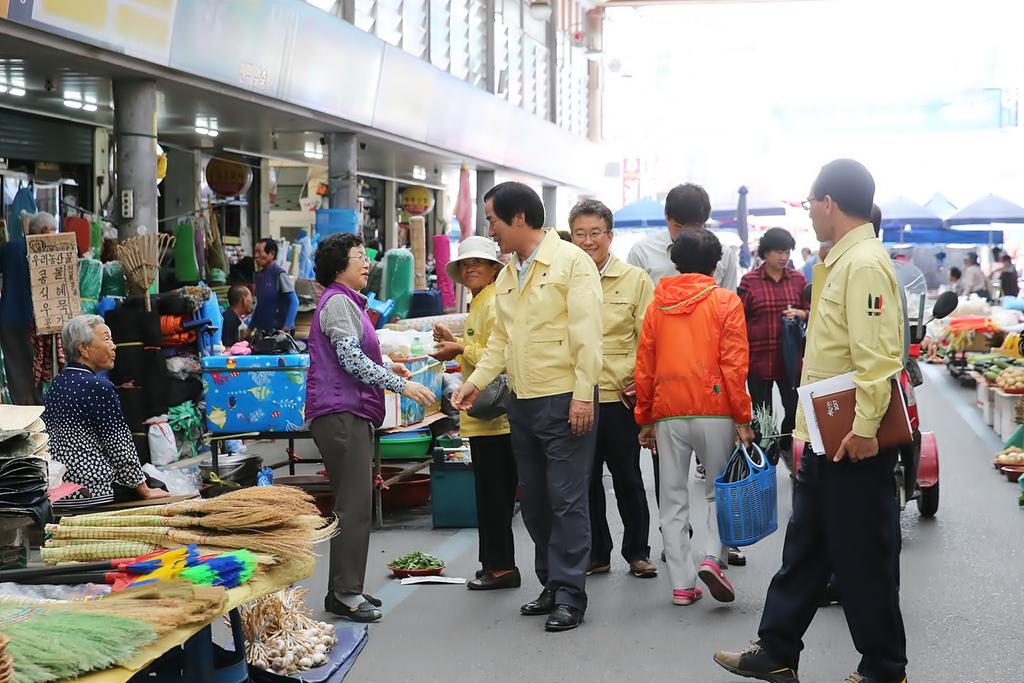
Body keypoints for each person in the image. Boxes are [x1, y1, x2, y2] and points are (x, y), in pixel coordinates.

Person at [715, 159, 907, 683]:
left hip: (850, 437)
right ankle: (776, 650)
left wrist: (866, 427)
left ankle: (885, 669)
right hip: (826, 435)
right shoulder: (839, 261)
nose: (810, 214)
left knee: (863, 556)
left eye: (809, 204)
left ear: (828, 203)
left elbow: (877, 357)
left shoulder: (863, 264)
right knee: (806, 548)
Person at [451, 182, 603, 633]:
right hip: (522, 400)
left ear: (519, 218)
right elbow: (501, 341)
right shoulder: (511, 271)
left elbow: (588, 333)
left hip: (564, 397)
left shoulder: (572, 262)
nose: (490, 231)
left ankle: (571, 594)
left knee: (568, 500)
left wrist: (582, 394)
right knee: (535, 502)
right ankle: (552, 584)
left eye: (493, 221)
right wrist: (474, 385)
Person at [306, 233, 435, 622]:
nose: (366, 263)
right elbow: (348, 358)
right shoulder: (340, 301)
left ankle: (342, 591)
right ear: (338, 266)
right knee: (354, 505)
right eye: (359, 257)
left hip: (346, 411)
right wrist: (400, 383)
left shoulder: (346, 302)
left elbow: (354, 353)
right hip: (341, 413)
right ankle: (347, 594)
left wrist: (387, 366)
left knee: (354, 502)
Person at [634, 229, 753, 607]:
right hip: (715, 409)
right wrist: (743, 417)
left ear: (675, 262)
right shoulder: (725, 301)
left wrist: (645, 418)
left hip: (668, 410)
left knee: (671, 498)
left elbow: (645, 365)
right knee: (719, 490)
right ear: (716, 264)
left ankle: (682, 585)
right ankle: (712, 558)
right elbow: (735, 365)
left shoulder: (658, 305)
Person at [568, 199, 657, 579]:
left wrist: (639, 384)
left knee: (628, 480)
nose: (588, 241)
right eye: (579, 234)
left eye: (595, 233)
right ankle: (597, 553)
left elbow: (648, 340)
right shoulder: (565, 278)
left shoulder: (635, 280)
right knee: (585, 482)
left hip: (620, 398)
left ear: (610, 235)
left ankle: (638, 551)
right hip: (578, 397)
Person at [431, 236, 520, 591]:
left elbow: (497, 353)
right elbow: (480, 350)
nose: (470, 269)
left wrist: (458, 347)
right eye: (465, 265)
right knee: (488, 495)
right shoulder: (481, 301)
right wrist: (455, 343)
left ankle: (501, 567)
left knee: (495, 496)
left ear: (493, 268)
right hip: (484, 417)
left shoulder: (493, 301)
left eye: (478, 264)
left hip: (495, 420)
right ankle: (493, 565)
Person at [42, 315, 170, 509]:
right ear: (83, 348)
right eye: (107, 339)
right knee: (158, 486)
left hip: (60, 490)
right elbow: (119, 446)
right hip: (92, 489)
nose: (114, 346)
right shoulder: (99, 387)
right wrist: (145, 490)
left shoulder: (56, 385)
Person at [738, 228, 808, 475]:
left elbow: (812, 310)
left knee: (795, 409)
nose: (783, 256)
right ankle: (763, 461)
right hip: (758, 359)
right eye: (779, 251)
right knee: (761, 414)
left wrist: (801, 314)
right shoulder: (750, 282)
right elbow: (739, 317)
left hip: (789, 360)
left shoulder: (798, 280)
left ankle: (788, 446)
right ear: (766, 253)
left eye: (787, 251)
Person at [627, 183, 739, 290]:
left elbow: (729, 303)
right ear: (666, 216)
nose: (686, 235)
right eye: (679, 227)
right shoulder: (641, 252)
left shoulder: (724, 255)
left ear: (705, 221)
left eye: (695, 228)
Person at [0, 211, 54, 405]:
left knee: (16, 367)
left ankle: (23, 411)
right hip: (36, 319)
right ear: (45, 230)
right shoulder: (47, 252)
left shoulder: (9, 248)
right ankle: (35, 412)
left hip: (8, 318)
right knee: (37, 366)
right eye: (53, 230)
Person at [251, 238, 299, 333]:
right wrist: (251, 326)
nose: (256, 256)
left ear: (272, 254)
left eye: (260, 252)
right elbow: (260, 304)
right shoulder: (259, 276)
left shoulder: (279, 274)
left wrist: (287, 326)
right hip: (263, 330)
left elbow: (294, 301)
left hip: (279, 331)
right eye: (255, 252)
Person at [221, 284, 254, 348]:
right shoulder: (229, 319)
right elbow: (227, 347)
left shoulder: (235, 317)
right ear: (244, 300)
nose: (251, 301)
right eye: (250, 298)